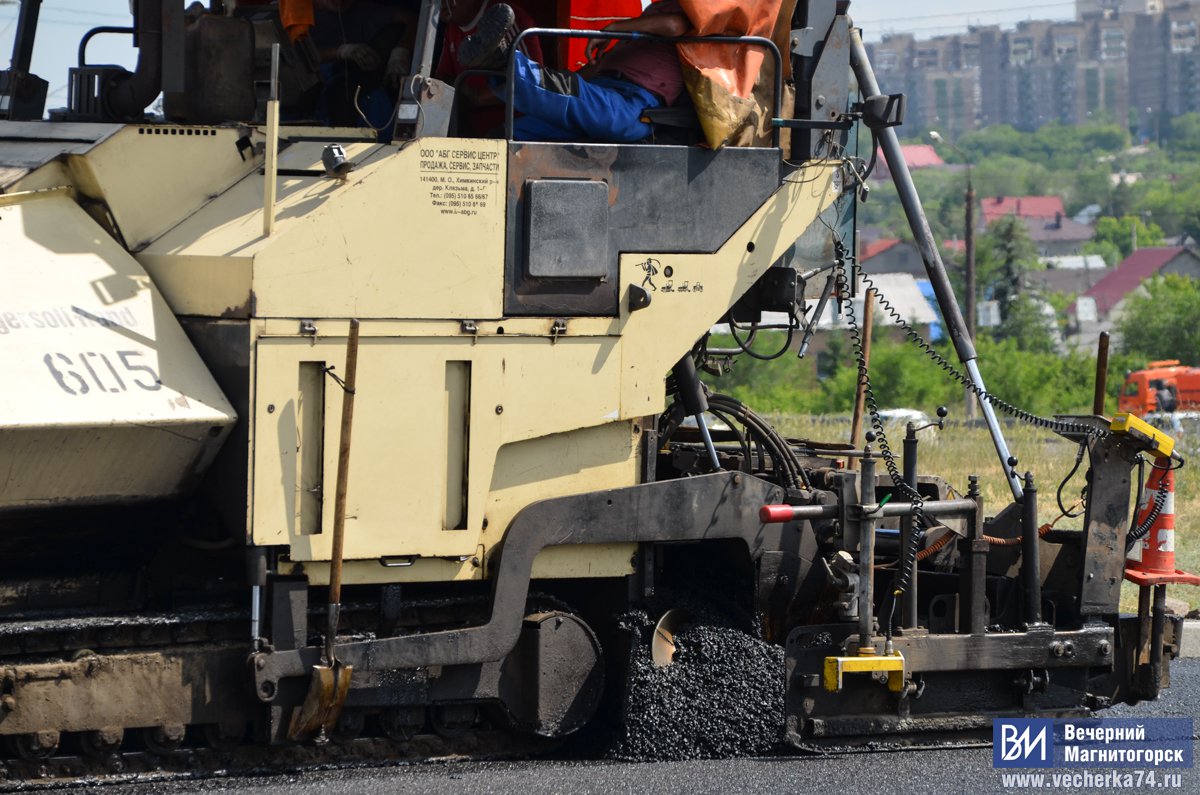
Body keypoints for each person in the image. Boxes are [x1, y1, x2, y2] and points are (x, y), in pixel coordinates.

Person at [458, 1, 689, 143]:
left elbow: (674, 26)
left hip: (635, 106)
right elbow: (591, 72)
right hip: (602, 89)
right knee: (512, 133)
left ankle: (501, 62)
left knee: (570, 93)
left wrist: (614, 28)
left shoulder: (695, 11)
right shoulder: (654, 10)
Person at [436, 0, 544, 136]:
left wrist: (475, 97)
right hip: (474, 131)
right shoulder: (452, 29)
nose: (443, 3)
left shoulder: (504, 19)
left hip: (513, 131)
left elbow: (530, 85)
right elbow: (444, 77)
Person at [310, 0, 419, 128]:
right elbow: (295, 54)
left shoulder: (365, 10)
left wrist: (402, 50)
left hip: (360, 91)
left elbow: (413, 19)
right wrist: (338, 52)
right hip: (312, 99)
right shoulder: (298, 15)